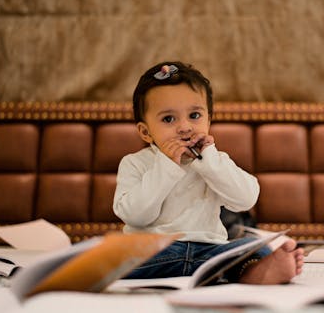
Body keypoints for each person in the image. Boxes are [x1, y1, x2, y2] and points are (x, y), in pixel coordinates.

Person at [113, 61, 303, 284]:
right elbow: (136, 215)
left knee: (250, 248)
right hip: (154, 251)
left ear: (209, 120)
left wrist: (209, 162)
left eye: (194, 116)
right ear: (145, 132)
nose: (184, 127)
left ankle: (260, 271)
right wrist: (166, 166)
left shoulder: (214, 161)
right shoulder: (135, 163)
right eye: (168, 119)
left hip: (209, 253)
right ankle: (246, 271)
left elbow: (246, 199)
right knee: (113, 257)